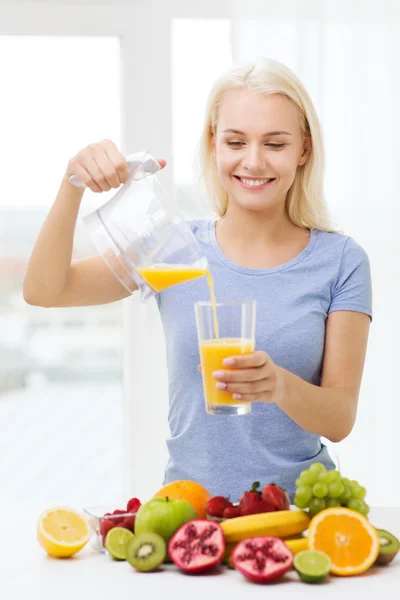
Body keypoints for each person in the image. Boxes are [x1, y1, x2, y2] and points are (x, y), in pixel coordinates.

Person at [23, 58, 372, 502]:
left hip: (298, 514)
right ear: (214, 145)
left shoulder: (339, 260)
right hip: (189, 513)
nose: (253, 161)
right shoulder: (175, 251)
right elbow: (44, 290)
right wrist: (71, 184)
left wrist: (277, 385)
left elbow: (340, 418)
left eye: (275, 143)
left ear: (304, 149)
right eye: (236, 141)